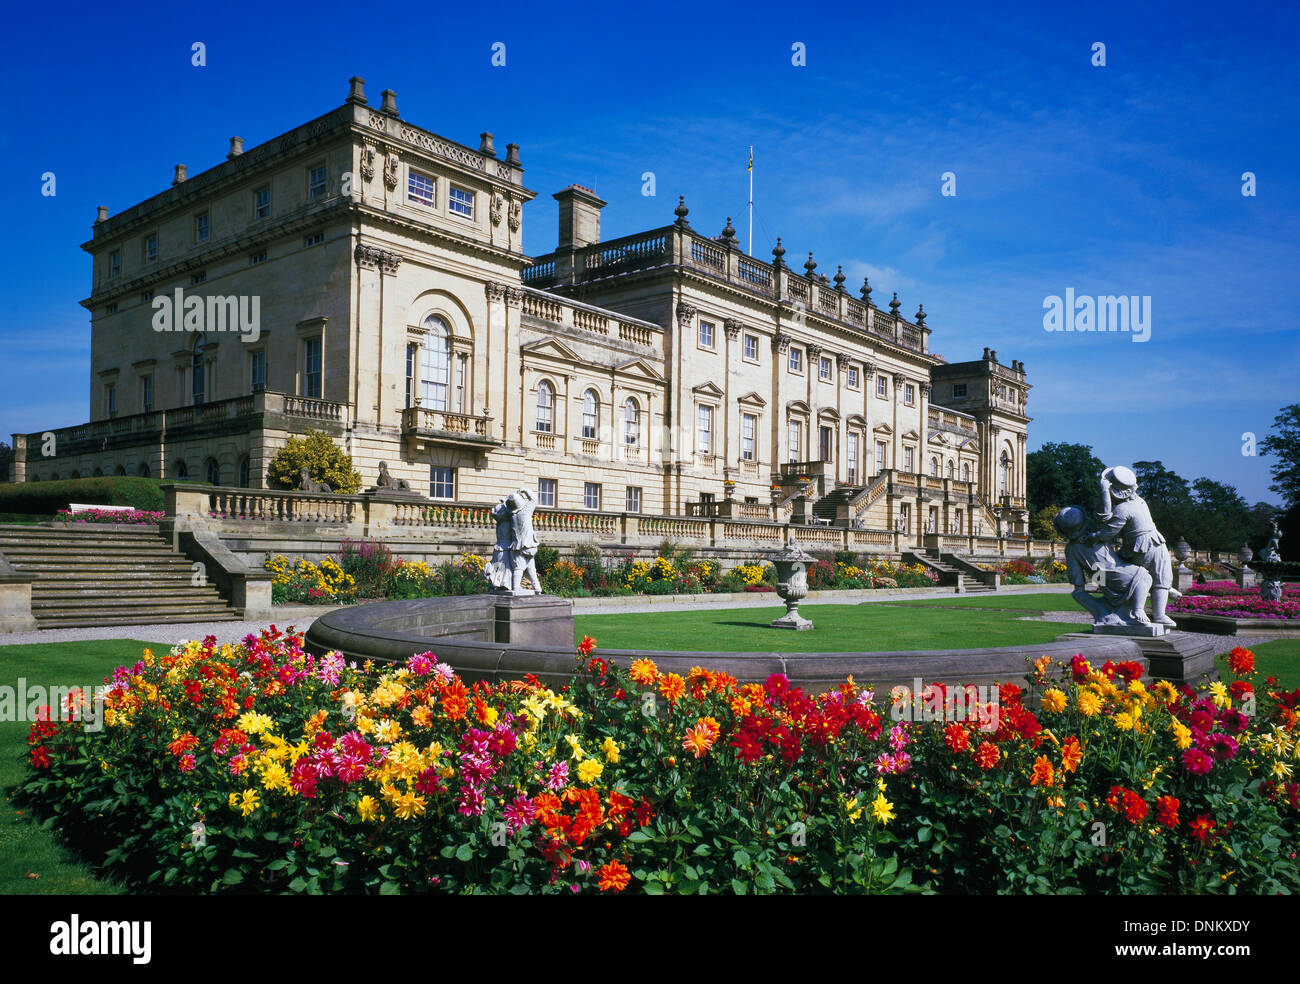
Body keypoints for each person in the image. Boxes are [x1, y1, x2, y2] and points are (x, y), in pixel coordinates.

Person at [1087, 466, 1177, 625]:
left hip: (1140, 547)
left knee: (1108, 565)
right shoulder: (1140, 501)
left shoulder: (1123, 509)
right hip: (1159, 544)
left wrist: (1104, 494)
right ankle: (1160, 615)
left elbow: (1107, 529)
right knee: (1160, 579)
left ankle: (1127, 605)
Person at [1054, 506, 1151, 626]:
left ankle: (1107, 615)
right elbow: (1104, 511)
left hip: (1104, 580)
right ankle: (1138, 610)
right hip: (1116, 573)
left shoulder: (1071, 549)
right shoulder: (1095, 535)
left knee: (1078, 593)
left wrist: (1090, 586)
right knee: (1145, 576)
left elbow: (1077, 580)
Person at [507, 489, 542, 595]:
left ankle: (536, 587)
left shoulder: (512, 515)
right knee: (523, 568)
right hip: (528, 546)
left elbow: (506, 507)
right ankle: (518, 588)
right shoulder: (525, 512)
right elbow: (534, 499)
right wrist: (525, 490)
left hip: (517, 546)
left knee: (525, 567)